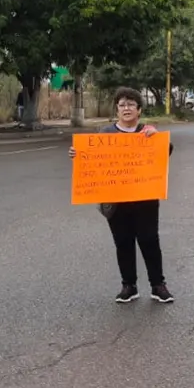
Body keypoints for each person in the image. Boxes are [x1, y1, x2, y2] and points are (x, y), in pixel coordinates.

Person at [70, 87, 175, 303]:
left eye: (130, 104)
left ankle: (158, 285)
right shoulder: (105, 134)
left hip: (145, 199)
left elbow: (166, 152)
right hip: (116, 201)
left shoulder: (147, 132)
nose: (126, 108)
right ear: (117, 110)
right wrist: (77, 155)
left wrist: (157, 139)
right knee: (123, 242)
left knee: (149, 241)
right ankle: (129, 286)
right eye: (122, 105)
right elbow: (92, 160)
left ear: (139, 110)